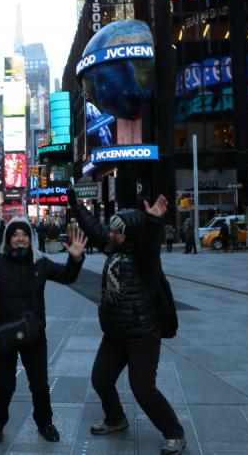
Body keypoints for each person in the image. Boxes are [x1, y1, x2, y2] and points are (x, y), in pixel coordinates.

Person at [67, 191, 187, 455]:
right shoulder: (113, 246)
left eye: (118, 231)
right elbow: (95, 228)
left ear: (131, 233)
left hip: (142, 334)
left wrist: (154, 222)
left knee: (142, 388)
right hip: (115, 333)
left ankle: (174, 433)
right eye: (113, 230)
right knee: (101, 379)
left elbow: (151, 246)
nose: (112, 234)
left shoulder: (145, 262)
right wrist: (75, 204)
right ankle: (115, 419)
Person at [0, 216, 88, 445]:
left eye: (24, 234)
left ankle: (45, 423)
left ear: (30, 238)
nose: (20, 238)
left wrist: (75, 258)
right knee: (6, 384)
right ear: (8, 239)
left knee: (39, 384)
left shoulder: (41, 263)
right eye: (15, 234)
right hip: (4, 333)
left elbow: (68, 276)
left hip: (33, 334)